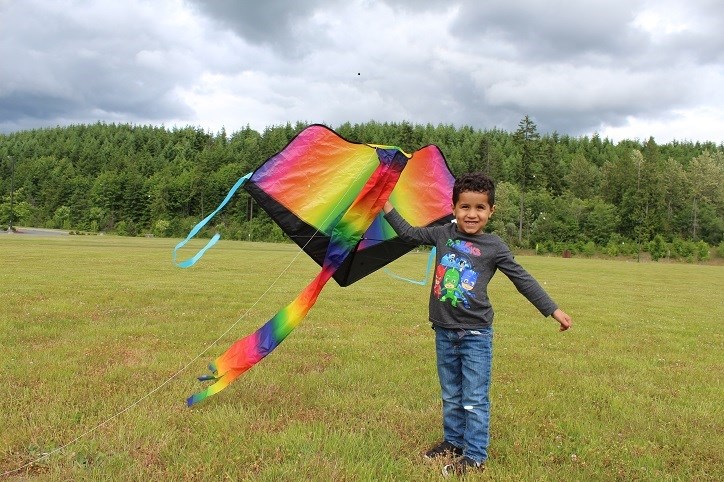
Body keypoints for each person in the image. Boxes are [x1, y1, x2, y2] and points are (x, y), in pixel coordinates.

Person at [382, 172, 572, 476]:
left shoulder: (494, 247)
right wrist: (386, 205)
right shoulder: (443, 234)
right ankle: (453, 443)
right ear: (454, 208)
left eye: (480, 208)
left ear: (491, 211)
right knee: (451, 394)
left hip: (475, 335)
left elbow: (522, 280)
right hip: (444, 331)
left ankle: (475, 456)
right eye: (465, 207)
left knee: (473, 397)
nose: (472, 214)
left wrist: (553, 309)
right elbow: (408, 234)